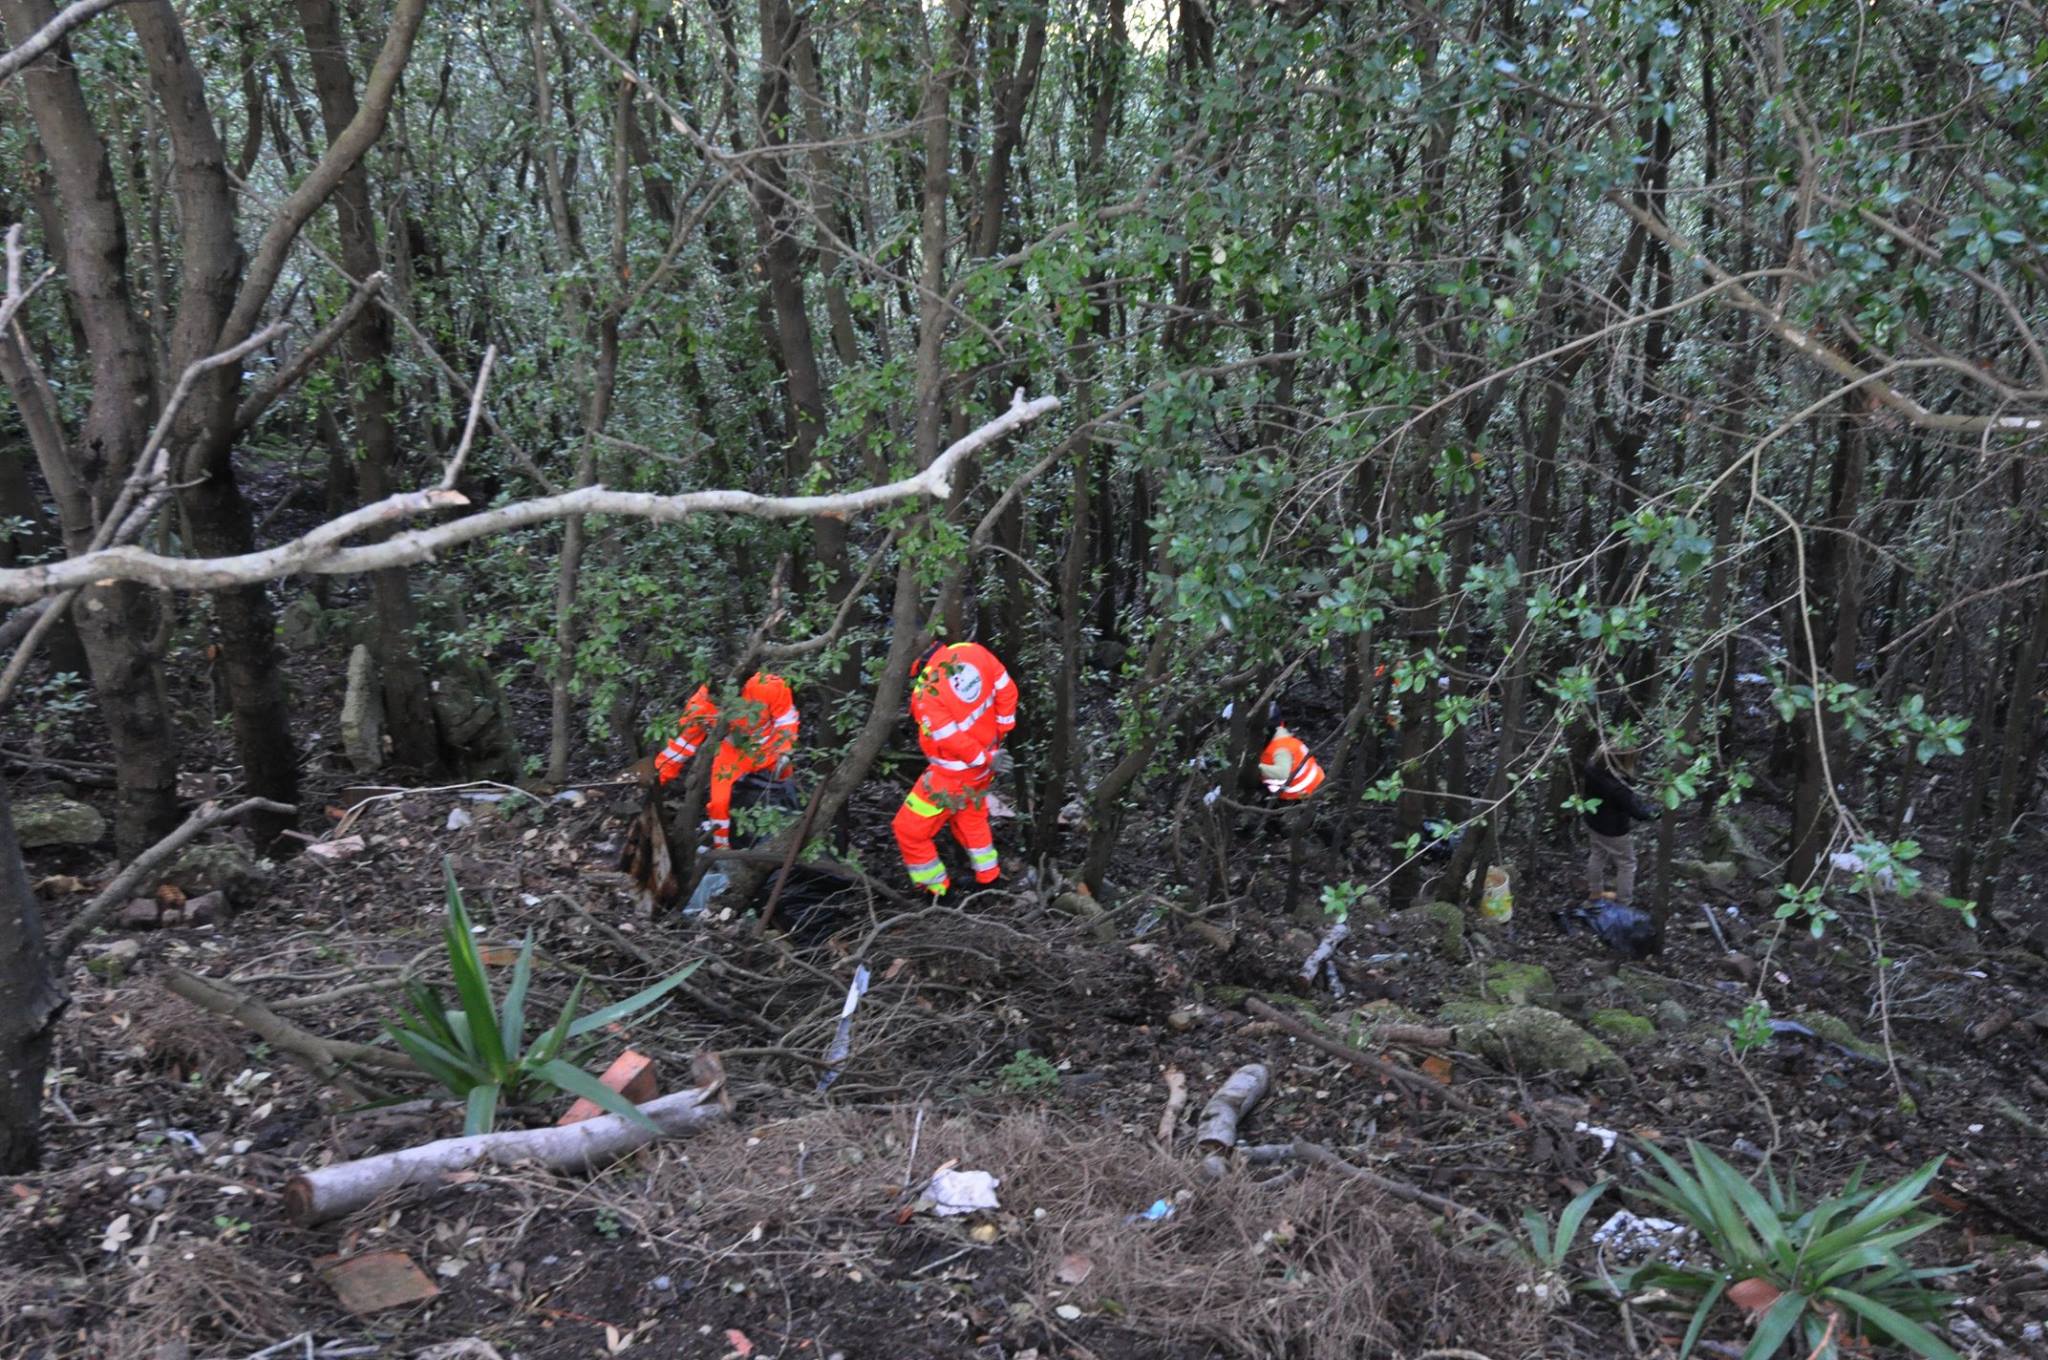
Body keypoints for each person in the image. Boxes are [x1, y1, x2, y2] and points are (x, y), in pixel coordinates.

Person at [893, 638, 1017, 895]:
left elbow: (950, 739)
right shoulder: (972, 651)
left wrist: (984, 756)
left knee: (908, 829)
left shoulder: (928, 689)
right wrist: (1000, 734)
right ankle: (989, 878)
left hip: (954, 773)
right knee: (971, 817)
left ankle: (935, 891)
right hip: (986, 765)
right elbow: (1007, 689)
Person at [652, 672, 799, 849]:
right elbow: (682, 745)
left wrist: (785, 751)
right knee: (720, 804)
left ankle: (789, 838)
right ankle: (723, 849)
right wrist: (657, 779)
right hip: (731, 754)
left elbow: (786, 720)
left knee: (785, 794)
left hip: (771, 750)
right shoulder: (700, 705)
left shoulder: (767, 686)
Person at [1580, 743, 1660, 902]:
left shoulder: (1591, 768)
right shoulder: (1618, 788)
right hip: (1613, 830)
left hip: (1593, 821)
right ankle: (1624, 900)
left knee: (1597, 853)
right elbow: (1639, 813)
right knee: (1627, 863)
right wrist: (1658, 810)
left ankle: (1595, 892)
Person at [1258, 717, 1326, 802]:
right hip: (1316, 782)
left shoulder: (1280, 749)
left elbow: (1282, 773)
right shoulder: (1289, 741)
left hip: (1294, 795)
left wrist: (1255, 766)